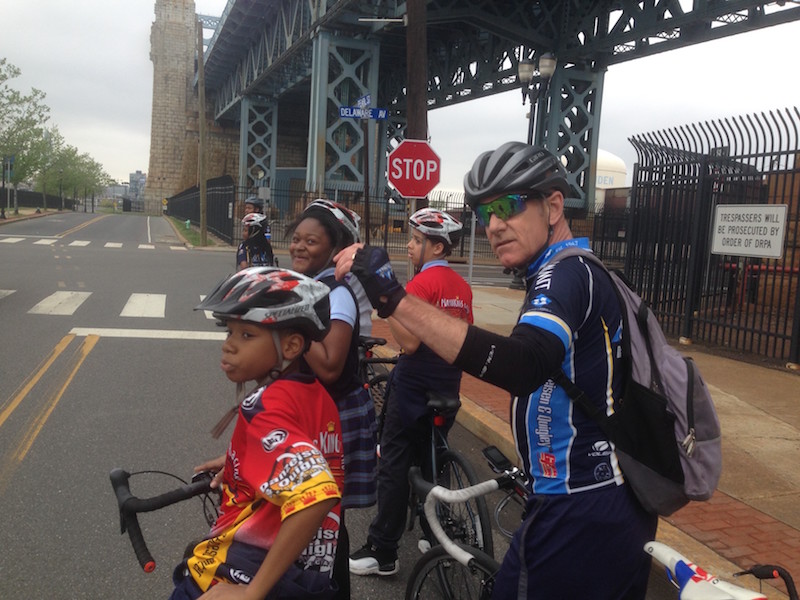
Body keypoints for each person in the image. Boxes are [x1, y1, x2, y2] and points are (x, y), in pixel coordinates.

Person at [334, 142, 658, 599]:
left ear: (553, 205)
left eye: (508, 205)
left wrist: (392, 298)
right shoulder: (566, 271)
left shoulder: (564, 276)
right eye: (486, 213)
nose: (495, 225)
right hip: (596, 501)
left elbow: (522, 364)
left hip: (579, 507)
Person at [172, 267, 343, 600]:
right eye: (229, 332)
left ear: (292, 346)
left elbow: (318, 493)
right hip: (303, 572)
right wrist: (244, 459)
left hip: (247, 566)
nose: (228, 346)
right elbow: (301, 449)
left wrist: (252, 592)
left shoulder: (264, 407)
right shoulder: (316, 395)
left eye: (246, 335)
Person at [349, 208, 473, 577]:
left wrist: (387, 311)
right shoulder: (462, 288)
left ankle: (383, 550)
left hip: (415, 381)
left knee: (394, 461)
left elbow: (410, 343)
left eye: (418, 241)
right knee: (434, 453)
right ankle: (434, 533)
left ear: (437, 247)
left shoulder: (419, 286)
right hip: (448, 382)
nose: (409, 246)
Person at [287, 199, 378, 599]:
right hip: (307, 413)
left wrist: (297, 322)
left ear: (333, 246)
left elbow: (328, 365)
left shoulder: (334, 292)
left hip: (332, 419)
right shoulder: (307, 287)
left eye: (311, 240)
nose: (300, 247)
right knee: (305, 520)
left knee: (323, 522)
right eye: (296, 239)